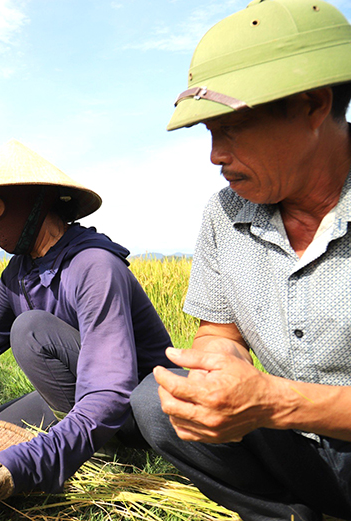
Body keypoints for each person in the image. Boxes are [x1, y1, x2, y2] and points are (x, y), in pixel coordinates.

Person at [130, 1, 351, 519]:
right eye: (209, 132)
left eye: (229, 127)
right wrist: (221, 367)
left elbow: (277, 403)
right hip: (289, 445)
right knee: (157, 403)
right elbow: (218, 331)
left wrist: (275, 401)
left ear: (312, 105)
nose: (215, 154)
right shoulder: (225, 214)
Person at [0, 139, 174, 501]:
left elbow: (110, 388)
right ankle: (75, 440)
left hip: (134, 409)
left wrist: (42, 458)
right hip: (78, 398)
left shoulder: (94, 266)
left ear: (31, 204)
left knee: (30, 328)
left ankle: (98, 450)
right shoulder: (18, 273)